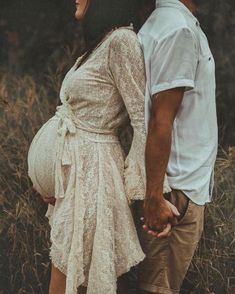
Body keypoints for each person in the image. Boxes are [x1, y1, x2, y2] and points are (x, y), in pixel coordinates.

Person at [26, 0, 157, 293]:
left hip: (94, 174)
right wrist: (54, 179)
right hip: (75, 179)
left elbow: (142, 120)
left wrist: (137, 189)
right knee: (79, 273)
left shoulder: (122, 41)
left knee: (75, 276)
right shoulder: (98, 44)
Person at [136, 0, 218, 293]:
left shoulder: (166, 22)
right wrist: (155, 197)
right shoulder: (178, 30)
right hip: (176, 192)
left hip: (177, 186)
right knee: (159, 288)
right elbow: (161, 120)